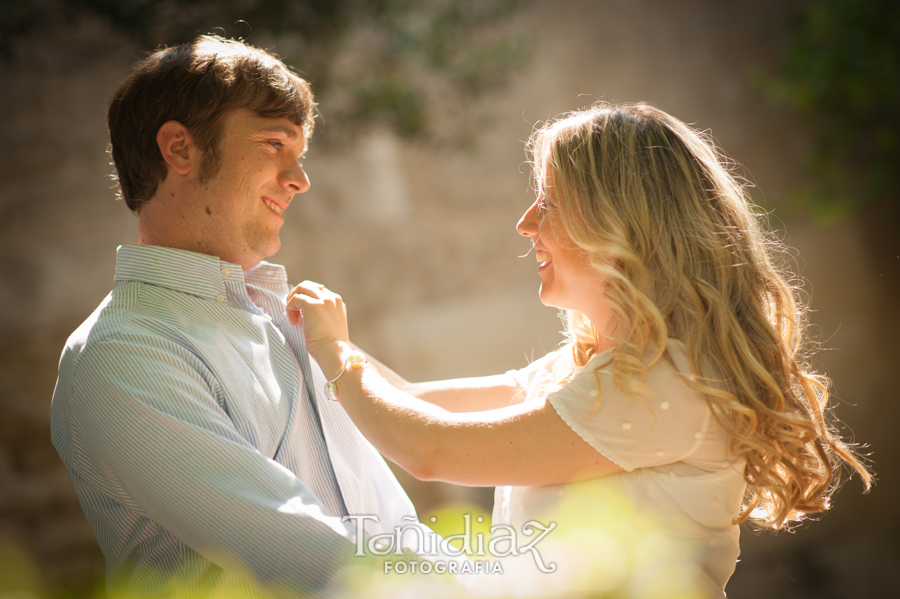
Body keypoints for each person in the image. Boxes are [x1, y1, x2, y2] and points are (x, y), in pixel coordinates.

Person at [288, 103, 874, 597]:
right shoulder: (592, 371)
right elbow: (412, 400)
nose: (525, 224)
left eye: (547, 200)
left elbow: (431, 449)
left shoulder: (663, 382)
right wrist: (313, 335)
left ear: (618, 222)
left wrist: (334, 351)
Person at [50, 35, 447, 598]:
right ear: (180, 149)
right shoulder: (120, 353)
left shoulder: (292, 323)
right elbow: (307, 557)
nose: (300, 179)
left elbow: (390, 526)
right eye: (272, 144)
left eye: (299, 154)